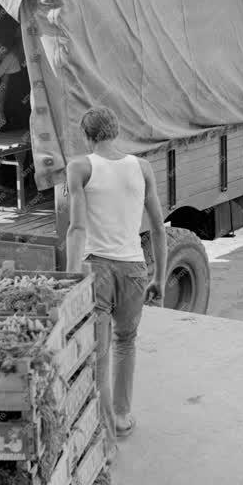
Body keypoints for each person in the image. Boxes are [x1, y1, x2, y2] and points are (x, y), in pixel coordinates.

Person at [65, 107, 167, 458]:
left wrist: (69, 278)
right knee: (127, 343)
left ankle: (105, 438)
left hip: (98, 269)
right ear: (116, 131)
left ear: (87, 136)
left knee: (100, 350)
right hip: (134, 269)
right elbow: (157, 227)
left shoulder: (80, 167)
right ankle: (122, 418)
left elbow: (77, 228)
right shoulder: (142, 167)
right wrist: (159, 276)